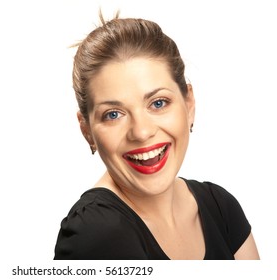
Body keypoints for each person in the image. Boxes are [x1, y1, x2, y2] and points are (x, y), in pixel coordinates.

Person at [53, 12, 260, 260]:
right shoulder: (96, 234)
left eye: (158, 103)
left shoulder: (220, 207)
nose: (141, 132)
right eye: (113, 114)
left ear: (189, 103)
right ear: (87, 130)